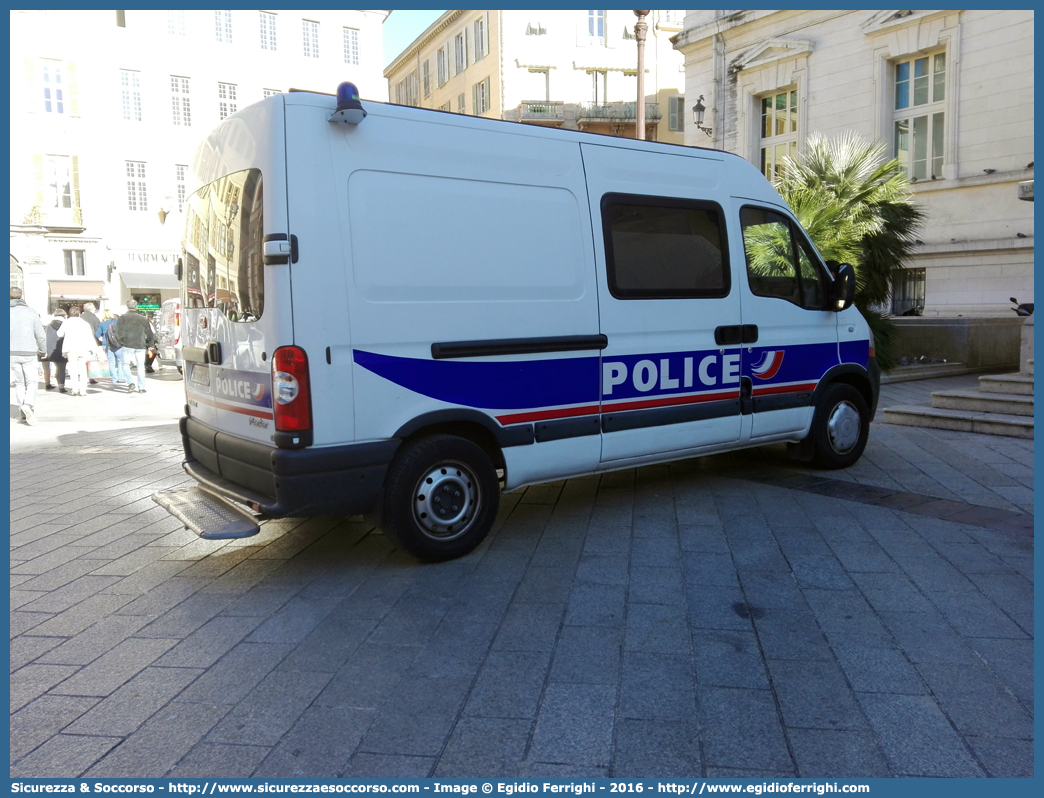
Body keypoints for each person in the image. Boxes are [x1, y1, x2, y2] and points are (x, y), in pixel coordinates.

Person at [10, 287, 47, 425]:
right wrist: (43, 350)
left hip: (11, 353)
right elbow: (41, 335)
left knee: (19, 383)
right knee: (32, 382)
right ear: (21, 297)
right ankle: (28, 404)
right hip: (29, 352)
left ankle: (22, 412)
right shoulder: (31, 313)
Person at [114, 299, 155, 393]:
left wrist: (121, 342)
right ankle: (142, 387)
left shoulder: (122, 318)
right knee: (140, 366)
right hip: (140, 344)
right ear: (136, 307)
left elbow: (118, 332)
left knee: (125, 364)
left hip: (127, 344)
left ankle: (130, 383)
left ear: (127, 306)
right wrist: (150, 344)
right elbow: (149, 332)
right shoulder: (142, 318)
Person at [56, 306, 99, 397]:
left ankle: (74, 389)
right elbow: (90, 337)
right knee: (83, 370)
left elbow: (59, 334)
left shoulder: (66, 322)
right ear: (79, 314)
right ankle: (83, 390)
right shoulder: (84, 323)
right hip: (85, 348)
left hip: (71, 348)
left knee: (73, 369)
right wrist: (94, 349)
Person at [42, 308, 68, 392]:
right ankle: (61, 386)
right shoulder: (65, 324)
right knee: (62, 367)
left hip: (51, 349)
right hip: (62, 348)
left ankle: (51, 383)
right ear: (64, 315)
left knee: (56, 366)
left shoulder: (49, 326)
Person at [96, 310, 124, 387]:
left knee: (111, 362)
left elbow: (97, 333)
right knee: (120, 361)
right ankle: (121, 378)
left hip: (107, 344)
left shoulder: (102, 324)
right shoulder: (117, 321)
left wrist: (101, 338)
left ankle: (114, 378)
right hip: (118, 344)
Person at [81, 302, 102, 384]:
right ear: (90, 309)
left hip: (81, 341)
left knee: (82, 360)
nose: (94, 310)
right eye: (93, 308)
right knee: (91, 359)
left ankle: (83, 375)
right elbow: (98, 330)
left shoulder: (80, 317)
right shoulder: (94, 318)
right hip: (92, 341)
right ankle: (91, 377)